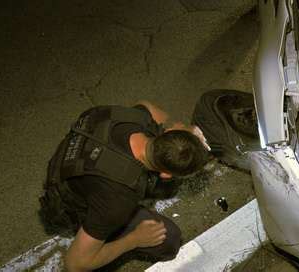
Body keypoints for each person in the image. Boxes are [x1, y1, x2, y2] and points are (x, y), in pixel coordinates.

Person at [38, 101, 209, 272]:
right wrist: (134, 239)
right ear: (166, 174)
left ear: (169, 131)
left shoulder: (133, 117)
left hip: (71, 166)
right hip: (67, 202)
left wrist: (184, 135)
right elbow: (75, 264)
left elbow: (149, 107)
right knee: (170, 240)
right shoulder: (118, 199)